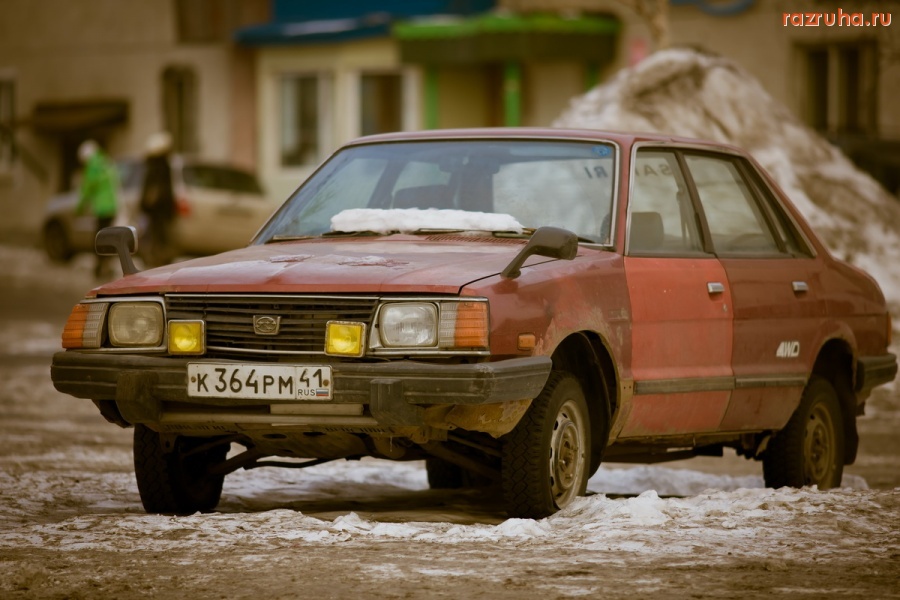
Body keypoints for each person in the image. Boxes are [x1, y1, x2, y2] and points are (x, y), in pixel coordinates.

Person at [75, 139, 119, 279]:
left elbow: (87, 189)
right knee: (109, 238)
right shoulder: (105, 161)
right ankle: (107, 265)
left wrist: (79, 208)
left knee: (99, 239)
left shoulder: (92, 166)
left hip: (101, 208)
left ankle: (100, 267)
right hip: (112, 206)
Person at [139, 131, 176, 267]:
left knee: (156, 237)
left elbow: (153, 190)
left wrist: (146, 204)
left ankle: (157, 259)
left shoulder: (156, 166)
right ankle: (158, 259)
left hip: (156, 209)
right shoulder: (161, 166)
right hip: (159, 209)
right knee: (158, 237)